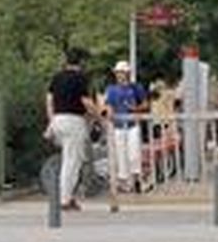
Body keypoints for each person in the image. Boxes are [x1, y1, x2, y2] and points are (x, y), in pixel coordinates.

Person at [46, 48, 98, 210]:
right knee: (72, 161)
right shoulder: (80, 78)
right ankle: (64, 199)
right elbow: (86, 102)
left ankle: (68, 196)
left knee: (70, 159)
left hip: (58, 120)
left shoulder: (57, 77)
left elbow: (49, 100)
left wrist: (51, 122)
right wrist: (99, 116)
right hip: (73, 121)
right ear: (81, 62)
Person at [103, 60, 149, 193]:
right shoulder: (111, 89)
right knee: (120, 154)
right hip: (117, 126)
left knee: (134, 154)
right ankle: (124, 182)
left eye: (122, 72)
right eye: (118, 73)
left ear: (128, 73)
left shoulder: (136, 87)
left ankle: (137, 180)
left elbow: (145, 104)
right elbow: (108, 105)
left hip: (132, 125)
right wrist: (108, 114)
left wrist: (135, 108)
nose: (120, 75)